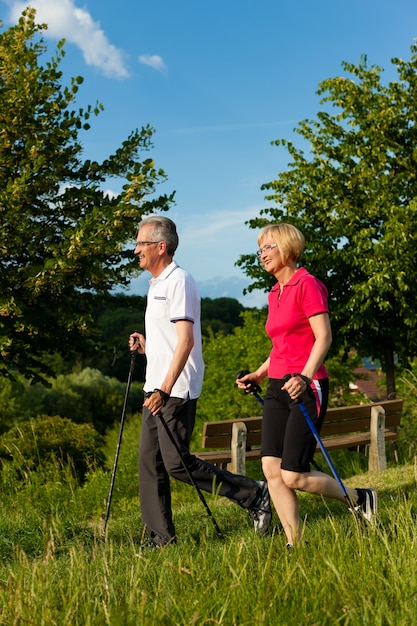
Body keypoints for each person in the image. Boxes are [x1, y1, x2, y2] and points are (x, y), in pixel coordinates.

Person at [129, 215, 271, 548]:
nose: (136, 250)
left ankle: (253, 494)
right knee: (149, 463)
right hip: (158, 387)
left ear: (160, 247)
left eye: (141, 244)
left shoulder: (180, 281)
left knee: (177, 463)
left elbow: (187, 342)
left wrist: (165, 389)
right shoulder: (156, 285)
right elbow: (169, 344)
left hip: (175, 389)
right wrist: (147, 347)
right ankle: (161, 538)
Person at [236, 223, 377, 549]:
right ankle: (294, 543)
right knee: (271, 468)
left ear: (287, 247)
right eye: (259, 250)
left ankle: (360, 498)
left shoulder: (307, 284)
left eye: (267, 247)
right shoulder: (275, 292)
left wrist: (305, 376)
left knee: (293, 475)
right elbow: (280, 345)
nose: (262, 255)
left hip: (307, 387)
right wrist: (258, 374)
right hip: (277, 386)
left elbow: (323, 337)